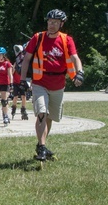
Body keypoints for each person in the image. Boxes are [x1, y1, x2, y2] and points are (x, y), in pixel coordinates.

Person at [19, 9, 84, 161]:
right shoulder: (38, 37)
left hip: (58, 84)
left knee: (50, 117)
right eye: (49, 22)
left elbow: (75, 58)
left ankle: (41, 144)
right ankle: (42, 148)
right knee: (42, 112)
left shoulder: (66, 39)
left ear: (61, 24)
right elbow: (27, 59)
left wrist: (79, 72)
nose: (51, 25)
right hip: (39, 82)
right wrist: (23, 80)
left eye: (55, 22)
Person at [11, 44, 30, 120]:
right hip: (16, 82)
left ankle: (23, 109)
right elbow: (12, 73)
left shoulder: (23, 61)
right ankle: (14, 108)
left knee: (23, 96)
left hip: (22, 81)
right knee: (15, 97)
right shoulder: (16, 63)